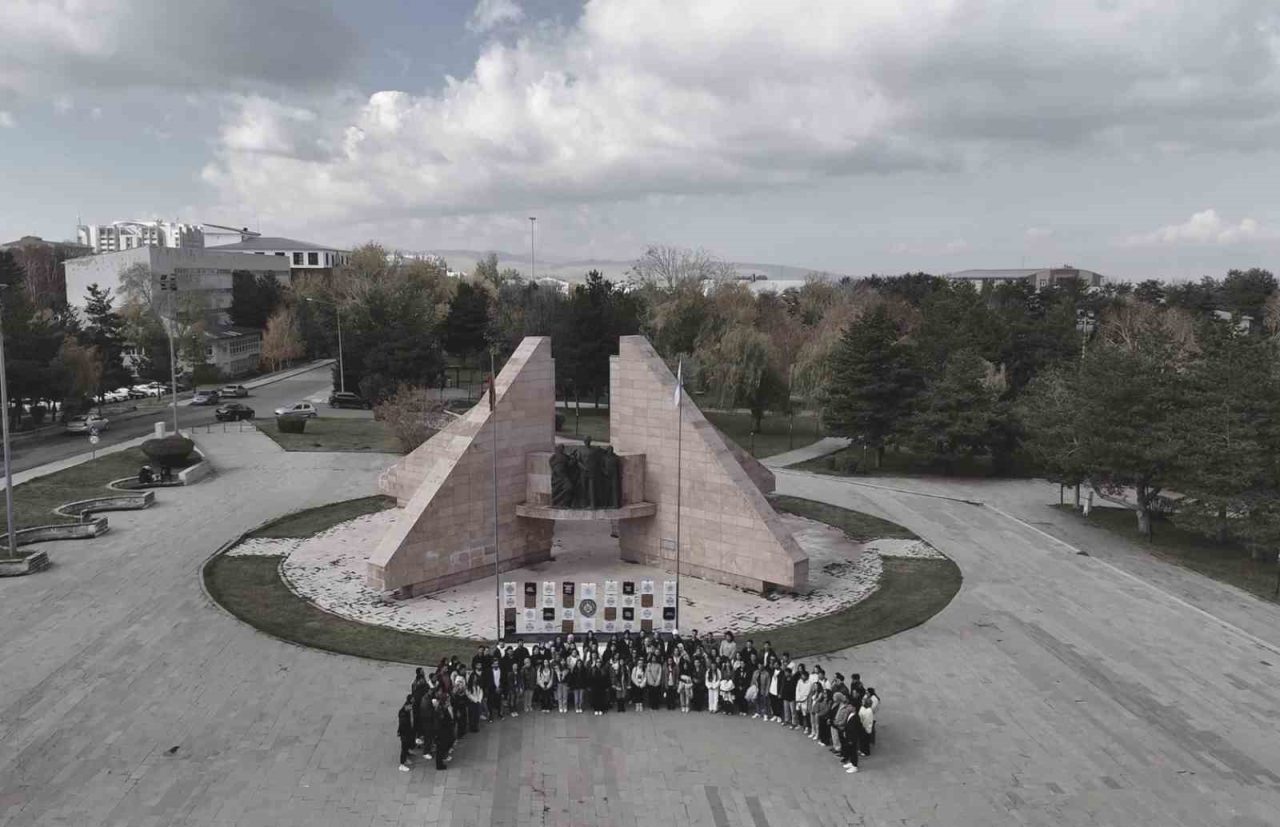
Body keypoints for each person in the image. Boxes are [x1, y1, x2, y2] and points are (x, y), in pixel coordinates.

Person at [434, 697, 454, 770]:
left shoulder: (443, 709)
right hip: (441, 734)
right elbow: (441, 723)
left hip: (444, 733)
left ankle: (441, 762)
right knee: (440, 750)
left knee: (442, 749)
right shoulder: (440, 711)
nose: (449, 703)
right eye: (447, 702)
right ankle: (439, 765)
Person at [397, 696, 416, 772]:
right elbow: (403, 726)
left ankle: (406, 757)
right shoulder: (403, 715)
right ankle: (402, 764)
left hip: (409, 732)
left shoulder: (408, 710)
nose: (411, 707)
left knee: (407, 745)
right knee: (404, 748)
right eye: (410, 707)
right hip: (405, 734)